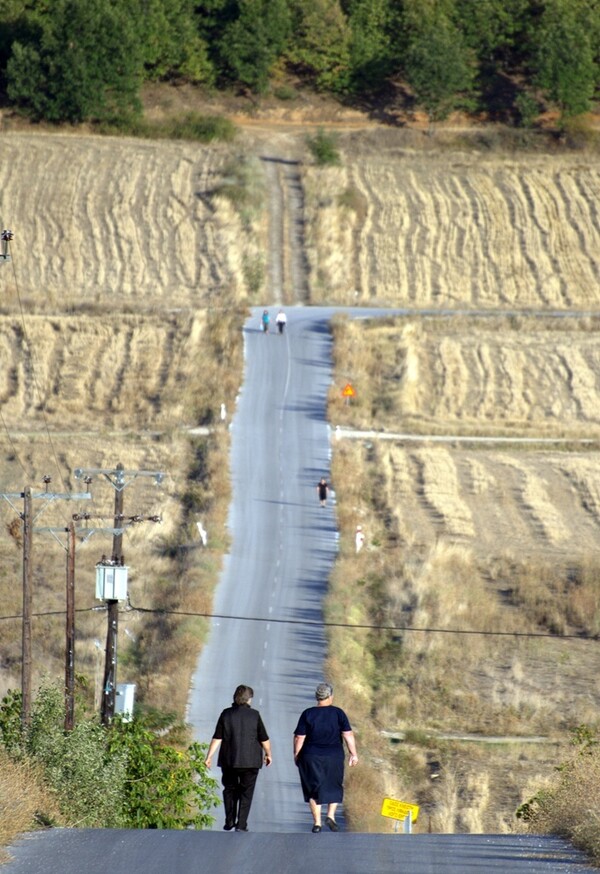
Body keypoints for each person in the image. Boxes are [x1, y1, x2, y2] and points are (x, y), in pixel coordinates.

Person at [205, 684, 272, 832]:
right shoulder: (254, 715)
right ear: (249, 699)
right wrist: (268, 754)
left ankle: (229, 821)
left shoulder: (226, 714)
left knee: (229, 789)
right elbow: (264, 738)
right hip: (251, 762)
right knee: (246, 792)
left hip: (229, 761)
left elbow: (217, 737)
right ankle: (241, 825)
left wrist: (209, 756)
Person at [293, 682, 358, 833]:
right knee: (334, 784)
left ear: (317, 697)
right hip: (333, 755)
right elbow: (347, 735)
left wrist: (297, 754)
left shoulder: (308, 713)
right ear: (330, 696)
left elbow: (299, 737)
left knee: (313, 788)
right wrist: (353, 754)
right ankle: (331, 816)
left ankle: (317, 823)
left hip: (311, 755)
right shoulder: (338, 713)